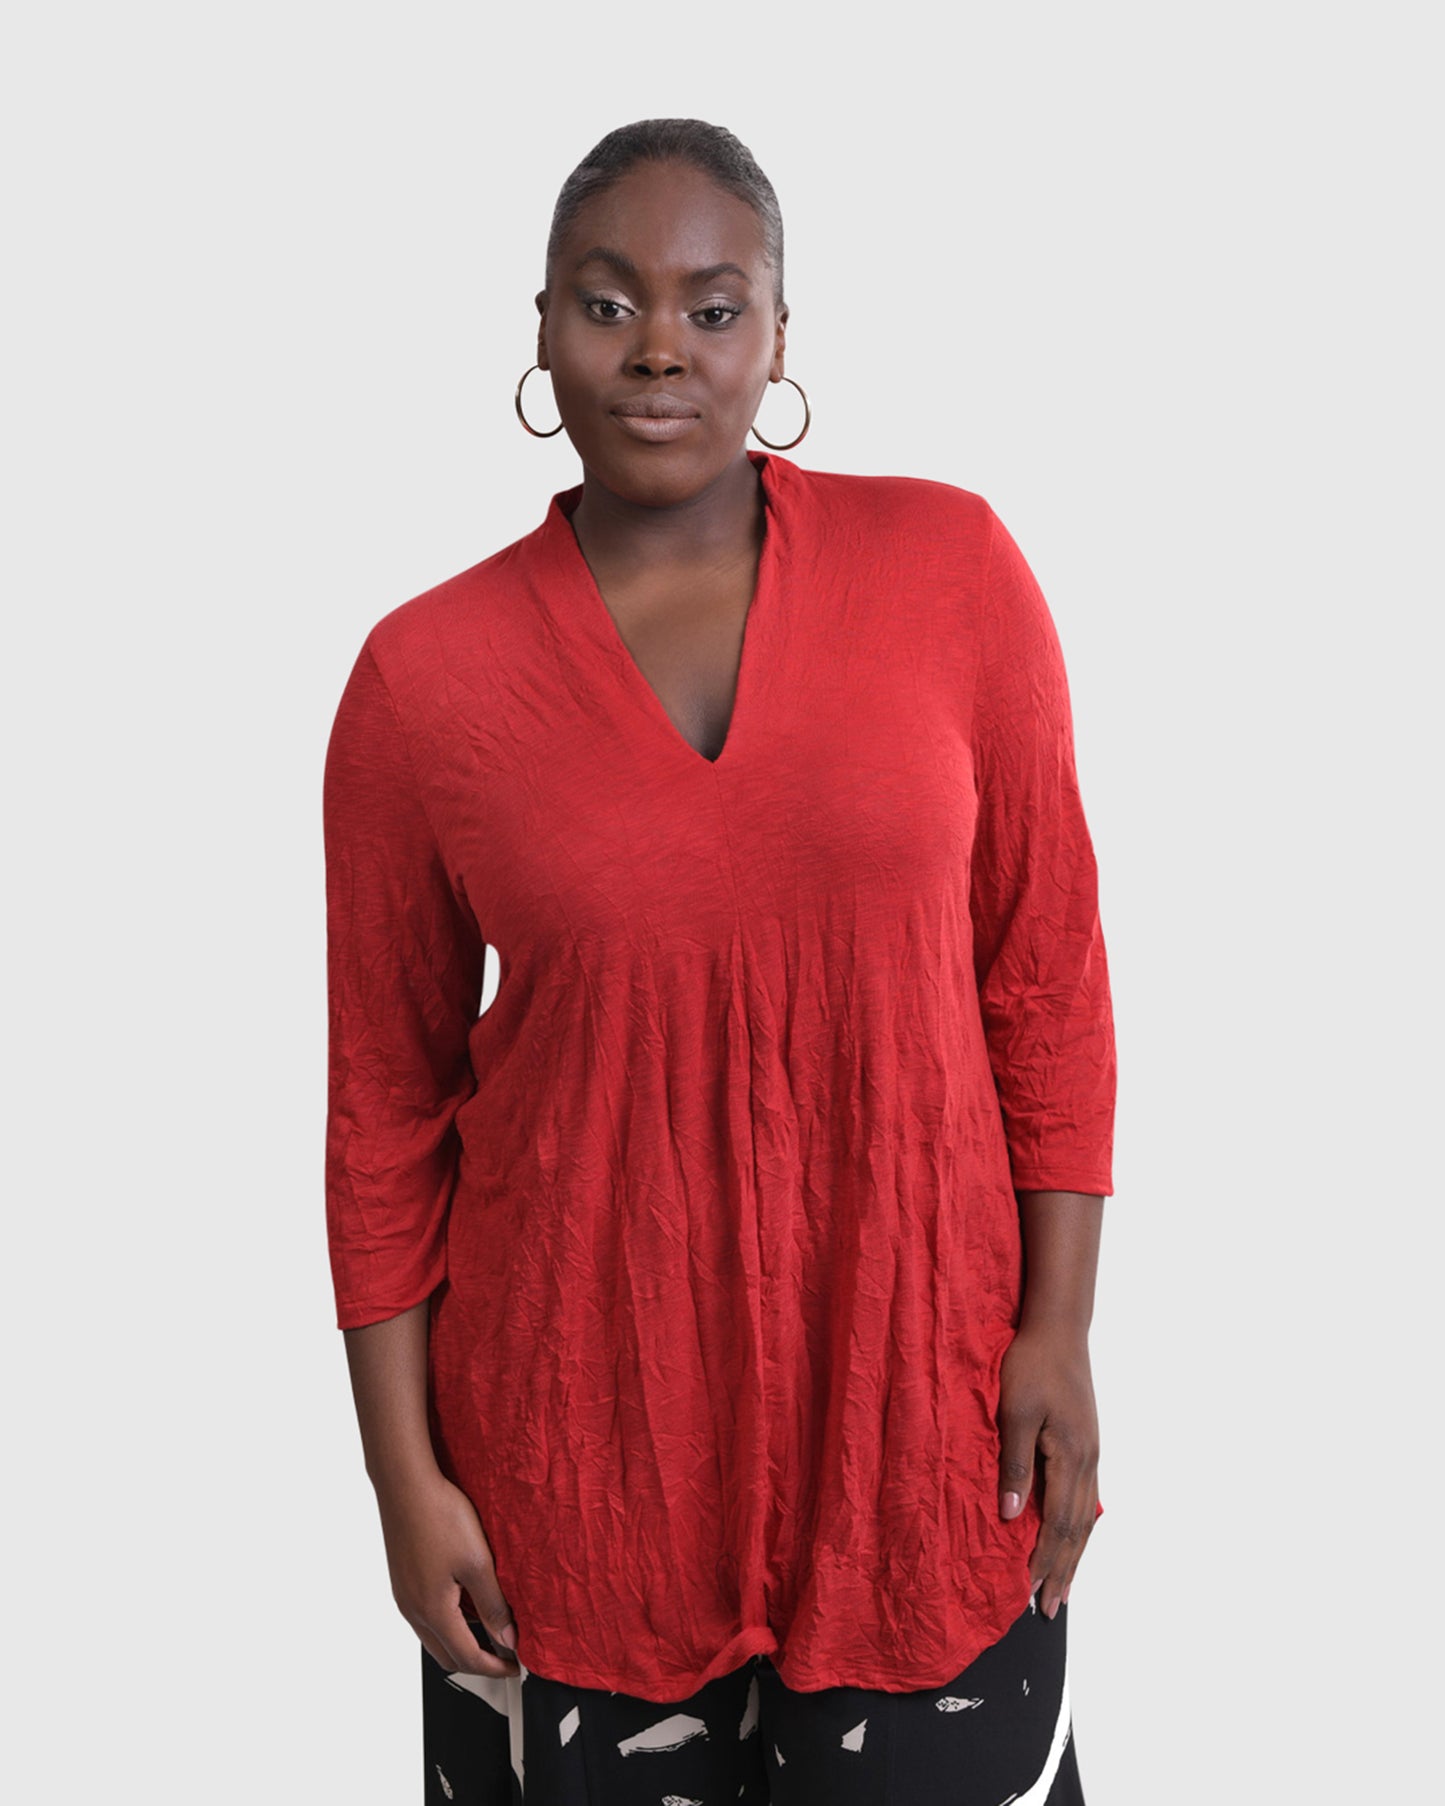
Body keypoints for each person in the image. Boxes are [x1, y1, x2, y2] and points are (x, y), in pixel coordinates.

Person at [323, 118, 1116, 1806]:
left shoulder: (951, 569)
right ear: (542, 329)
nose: (659, 349)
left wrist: (1057, 1327)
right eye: (608, 303)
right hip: (572, 1472)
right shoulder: (424, 678)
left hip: (917, 1433)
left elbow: (1042, 975)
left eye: (711, 304)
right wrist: (402, 1476)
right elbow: (382, 1107)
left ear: (778, 334)